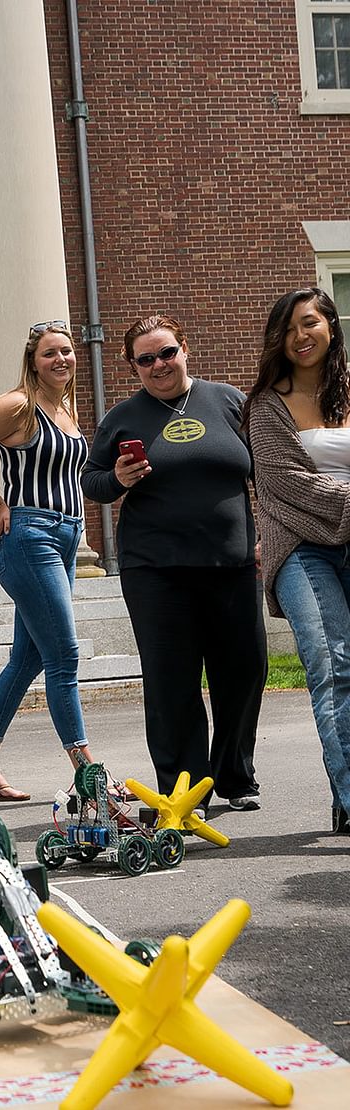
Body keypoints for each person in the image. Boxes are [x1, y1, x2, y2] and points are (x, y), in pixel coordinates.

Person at [81, 314, 266, 810]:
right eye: (146, 359)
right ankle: (185, 790)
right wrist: (118, 477)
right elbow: (91, 480)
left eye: (167, 352)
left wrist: (267, 534)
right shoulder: (122, 417)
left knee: (245, 669)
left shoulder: (227, 401)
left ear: (185, 349)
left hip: (231, 564)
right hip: (155, 570)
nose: (159, 365)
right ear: (132, 366)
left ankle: (233, 776)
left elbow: (263, 472)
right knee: (171, 680)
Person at [0, 321, 98, 801]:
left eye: (66, 351)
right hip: (29, 535)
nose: (61, 359)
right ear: (32, 360)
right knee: (64, 657)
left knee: (29, 658)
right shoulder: (17, 406)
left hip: (66, 536)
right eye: (50, 354)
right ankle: (88, 774)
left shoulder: (65, 407)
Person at [244, 287, 350, 835]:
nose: (299, 337)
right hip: (302, 547)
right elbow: (285, 484)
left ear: (330, 325)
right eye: (287, 329)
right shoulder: (266, 405)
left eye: (309, 323)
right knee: (335, 667)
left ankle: (343, 791)